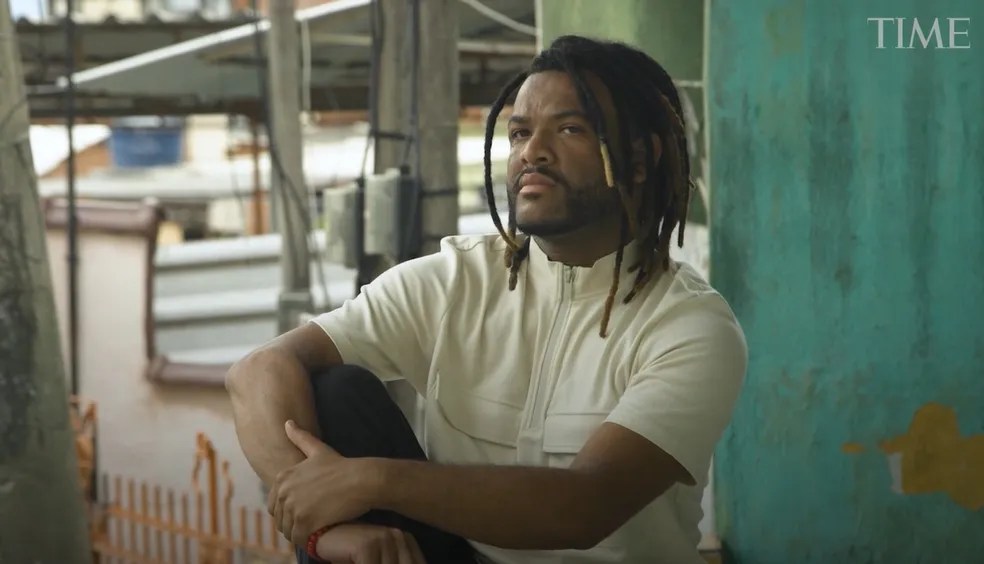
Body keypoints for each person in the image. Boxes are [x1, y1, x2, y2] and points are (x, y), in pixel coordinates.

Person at [226, 35, 747, 564]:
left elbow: (585, 508)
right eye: (520, 132)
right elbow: (259, 369)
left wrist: (371, 480)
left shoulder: (690, 326)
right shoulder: (455, 280)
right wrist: (322, 530)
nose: (532, 152)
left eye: (569, 129)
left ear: (638, 160)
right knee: (334, 390)